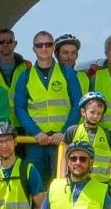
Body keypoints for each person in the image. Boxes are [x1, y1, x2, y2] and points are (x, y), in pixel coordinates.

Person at [13, 30, 81, 181]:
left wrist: (64, 132)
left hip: (61, 140)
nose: (44, 48)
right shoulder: (25, 76)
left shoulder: (67, 73)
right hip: (36, 141)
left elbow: (77, 105)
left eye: (48, 44)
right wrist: (36, 132)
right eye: (39, 45)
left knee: (63, 184)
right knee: (36, 186)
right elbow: (20, 108)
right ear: (34, 49)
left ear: (53, 47)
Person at [68, 91, 111, 183]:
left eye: (99, 113)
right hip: (79, 181)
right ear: (83, 112)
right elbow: (64, 158)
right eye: (92, 112)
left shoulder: (106, 134)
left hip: (103, 183)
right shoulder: (72, 131)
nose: (95, 116)